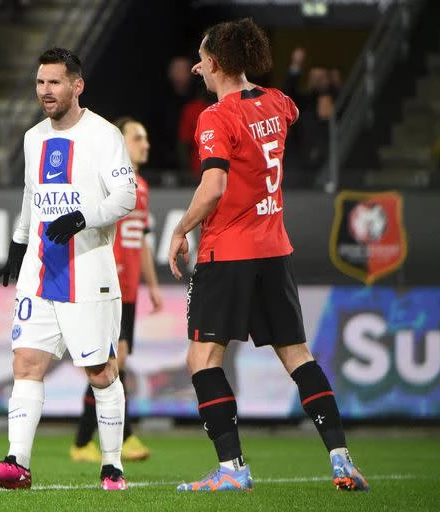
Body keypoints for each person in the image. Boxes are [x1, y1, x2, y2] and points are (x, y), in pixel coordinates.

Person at [167, 18, 369, 492]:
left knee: (203, 359)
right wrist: (227, 71)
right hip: (274, 250)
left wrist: (180, 229)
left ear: (214, 63)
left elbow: (214, 186)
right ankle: (342, 460)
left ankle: (232, 469)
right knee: (297, 355)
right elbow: (284, 110)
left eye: (203, 59)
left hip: (227, 251)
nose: (199, 66)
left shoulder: (215, 117)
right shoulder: (278, 102)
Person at [0, 47, 136, 491]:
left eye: (54, 83)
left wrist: (82, 218)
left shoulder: (104, 135)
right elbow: (32, 195)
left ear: (77, 86)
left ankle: (112, 466)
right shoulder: (32, 137)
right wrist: (18, 243)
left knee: (101, 371)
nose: (45, 91)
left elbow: (126, 196)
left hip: (88, 270)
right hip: (41, 270)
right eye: (40, 82)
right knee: (25, 362)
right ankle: (17, 463)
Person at [70, 117, 163, 464]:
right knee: (112, 359)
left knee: (114, 361)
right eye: (138, 137)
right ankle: (114, 438)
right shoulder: (107, 180)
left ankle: (88, 441)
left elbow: (141, 241)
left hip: (131, 289)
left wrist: (152, 286)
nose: (146, 144)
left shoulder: (142, 187)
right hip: (110, 284)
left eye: (146, 138)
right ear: (120, 141)